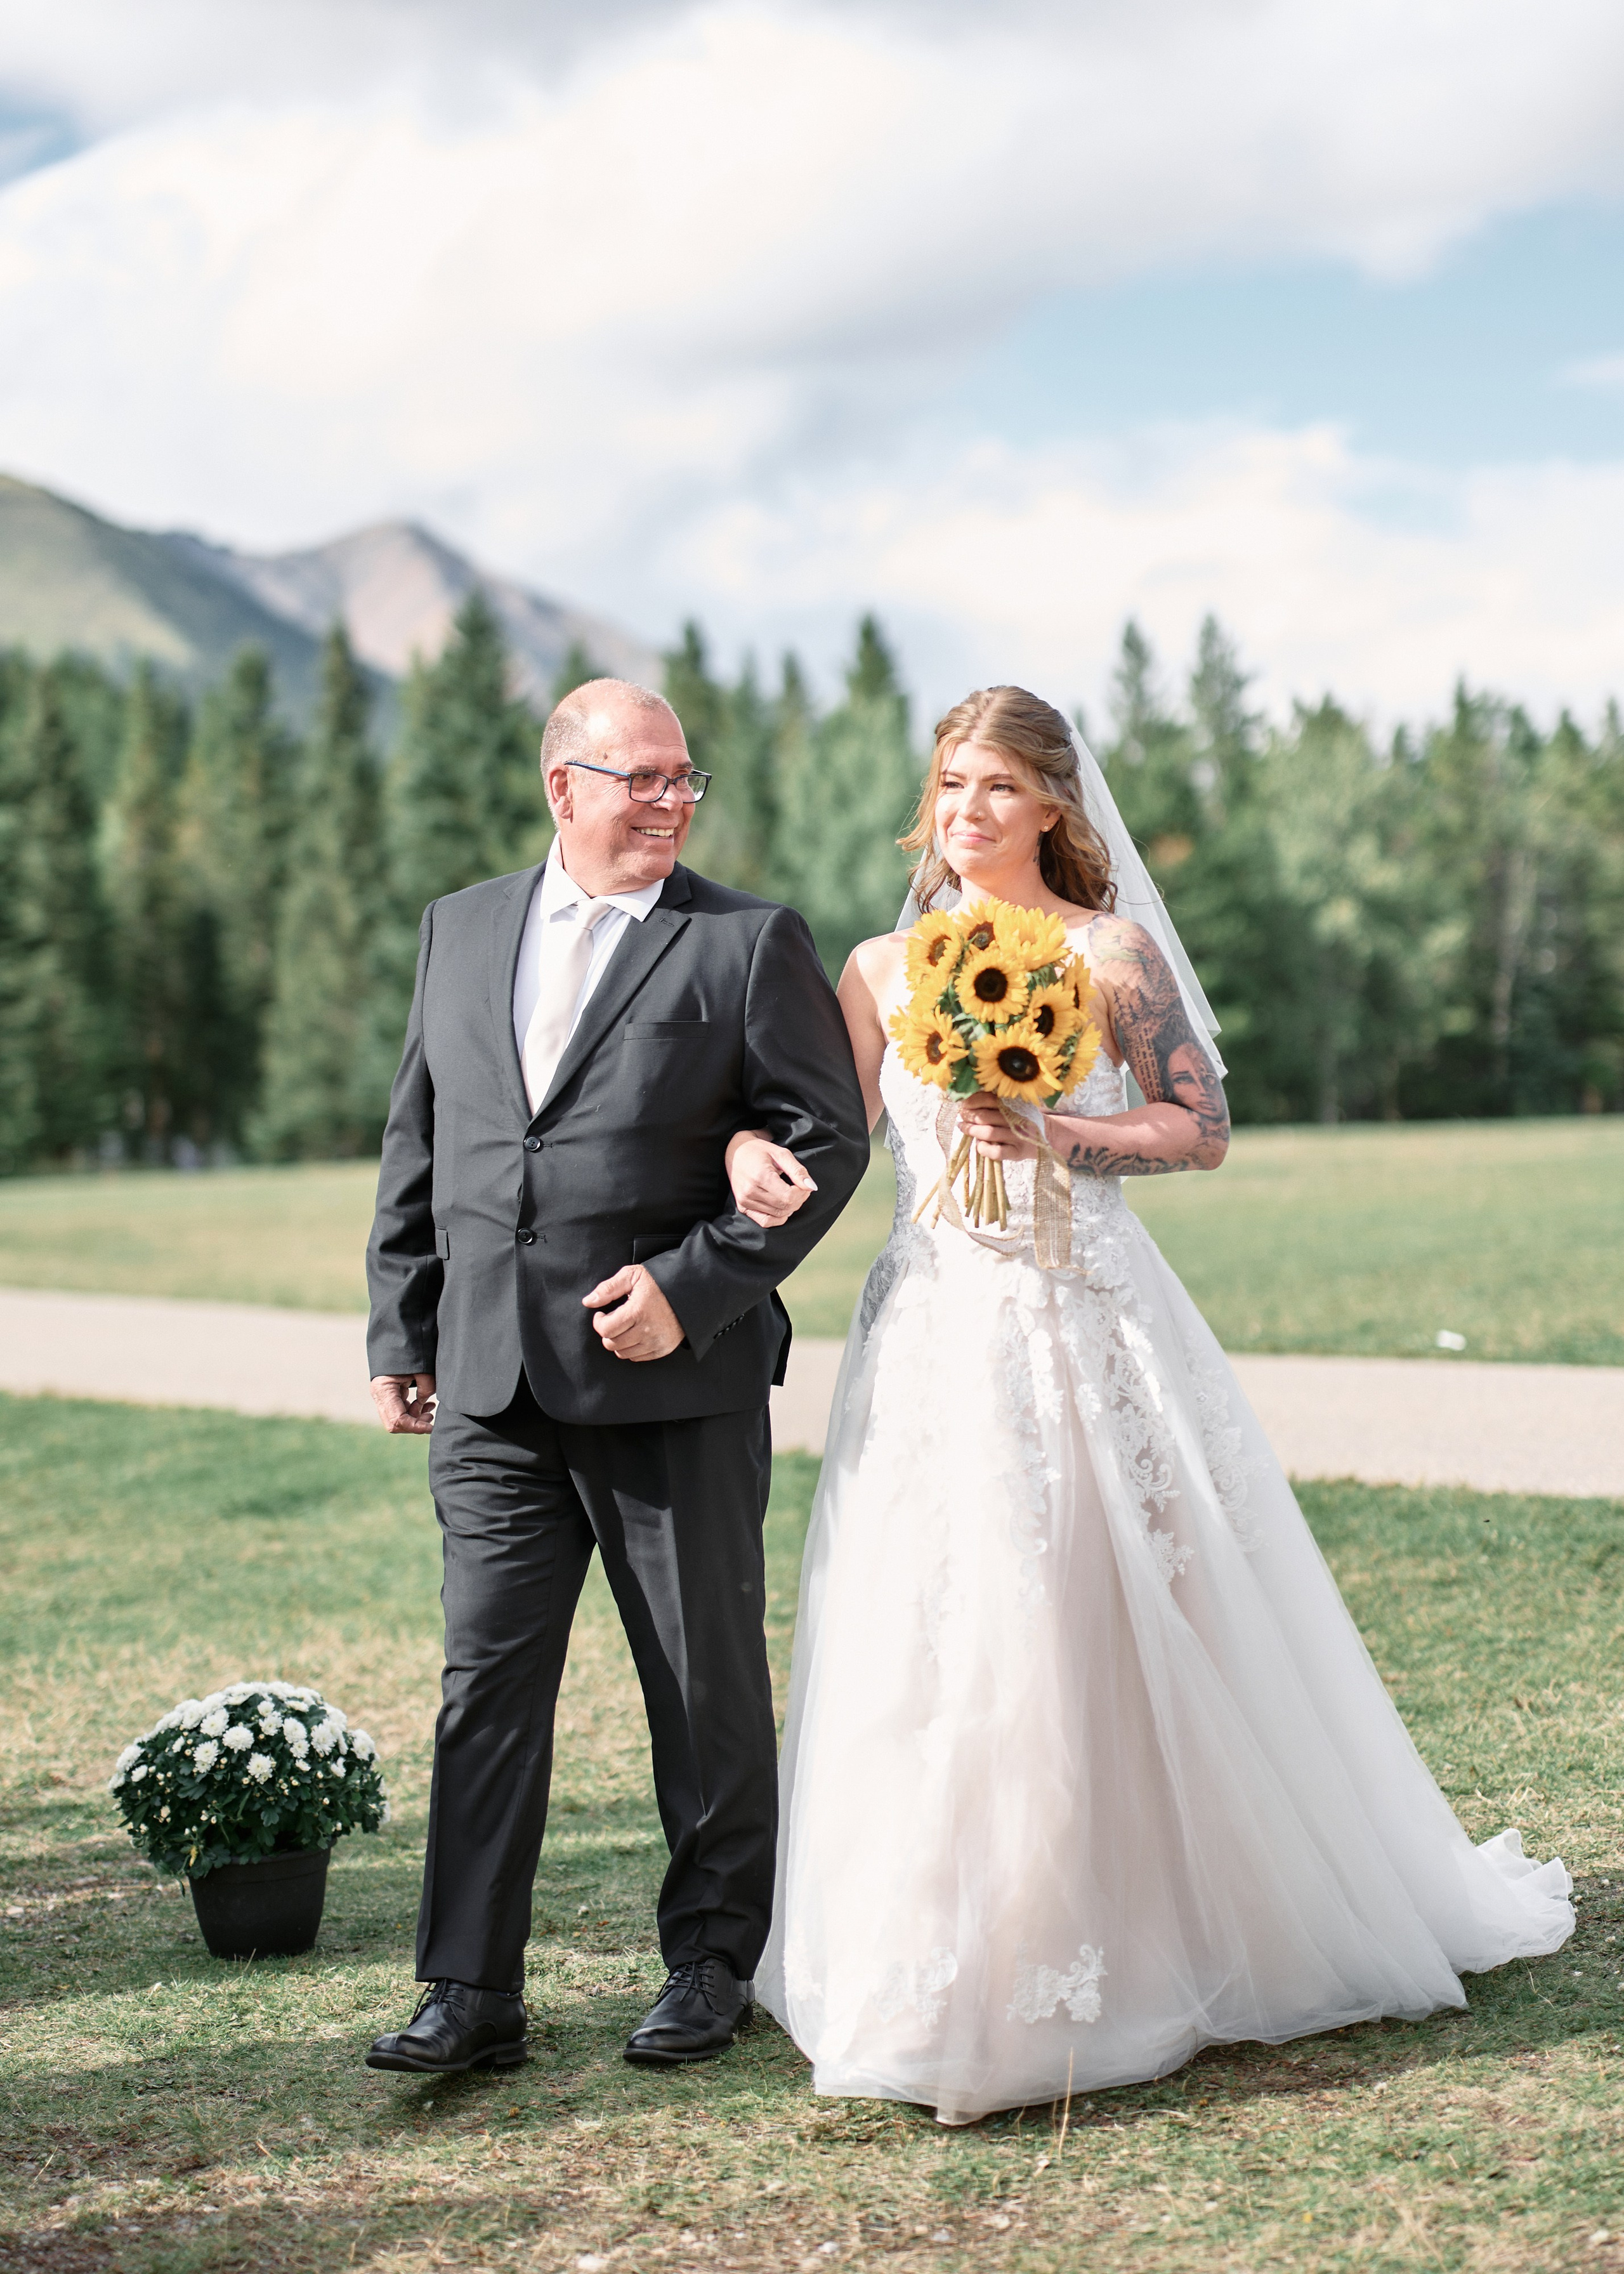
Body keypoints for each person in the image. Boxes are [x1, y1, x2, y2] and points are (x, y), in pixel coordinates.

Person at [733, 684, 1573, 2127]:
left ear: (1055, 803)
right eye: (950, 785)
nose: (969, 811)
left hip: (1080, 1317)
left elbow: (1200, 1126)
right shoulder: (880, 964)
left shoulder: (1106, 954)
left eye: (998, 786)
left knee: (1097, 1610)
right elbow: (817, 1127)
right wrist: (750, 1140)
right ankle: (934, 1957)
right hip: (933, 1326)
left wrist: (1055, 1130)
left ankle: (1149, 1936)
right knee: (933, 1626)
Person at [362, 678, 870, 2077]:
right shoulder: (459, 929)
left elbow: (821, 1144)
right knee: (484, 1689)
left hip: (673, 1384)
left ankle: (712, 1959)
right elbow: (425, 1139)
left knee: (701, 1686)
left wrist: (693, 1288)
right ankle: (468, 1991)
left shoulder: (745, 940)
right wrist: (403, 1325)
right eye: (639, 778)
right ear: (561, 788)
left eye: (682, 779)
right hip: (487, 1386)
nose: (668, 801)